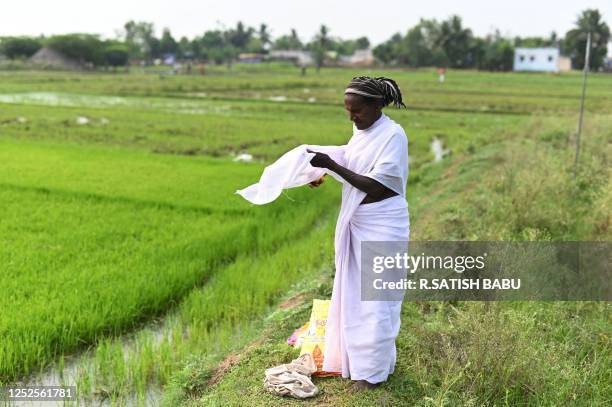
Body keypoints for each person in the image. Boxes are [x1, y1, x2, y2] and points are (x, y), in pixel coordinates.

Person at [307, 76, 409, 391]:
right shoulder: (362, 131)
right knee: (355, 297)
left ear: (377, 105)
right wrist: (323, 170)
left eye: (358, 111)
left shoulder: (393, 135)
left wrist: (333, 167)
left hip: (383, 225)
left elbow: (377, 184)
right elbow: (355, 161)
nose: (352, 117)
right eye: (348, 111)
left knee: (377, 300)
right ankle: (359, 364)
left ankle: (373, 372)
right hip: (359, 220)